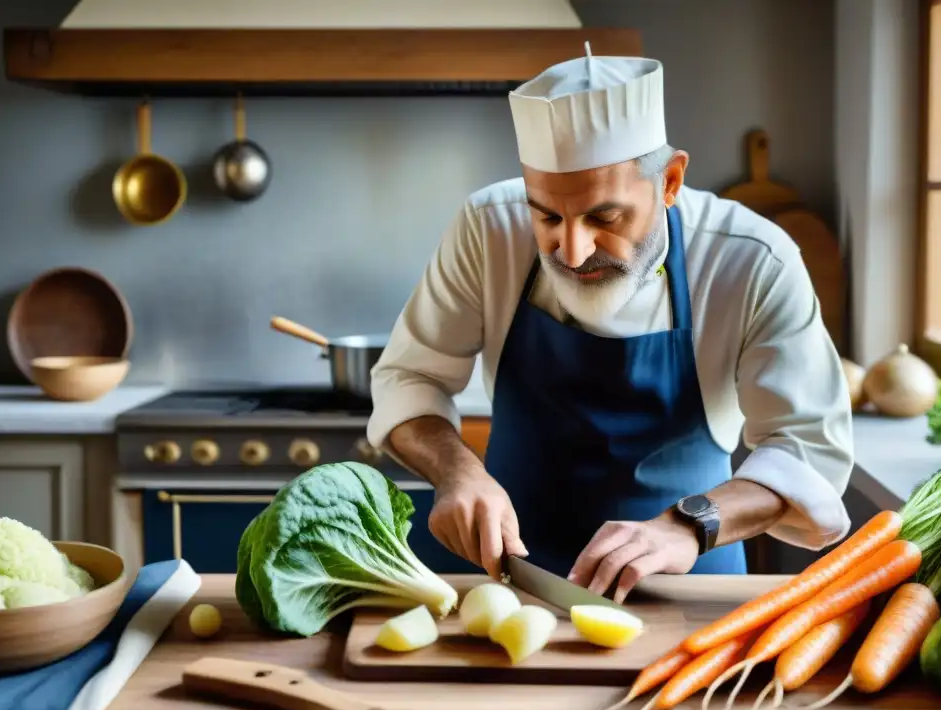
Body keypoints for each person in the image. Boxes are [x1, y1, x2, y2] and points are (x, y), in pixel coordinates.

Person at [366, 47, 854, 603]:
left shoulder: (751, 258)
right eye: (546, 216)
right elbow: (408, 379)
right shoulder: (488, 229)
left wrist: (692, 522)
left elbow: (808, 448)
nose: (572, 251)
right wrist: (457, 472)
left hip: (688, 587)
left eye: (604, 216)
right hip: (504, 581)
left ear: (670, 181)